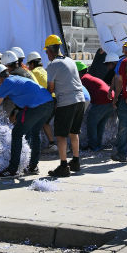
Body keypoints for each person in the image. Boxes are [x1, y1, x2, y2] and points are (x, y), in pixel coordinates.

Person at [0, 63, 55, 177]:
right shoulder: (14, 79)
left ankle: (12, 169)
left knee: (17, 133)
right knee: (35, 132)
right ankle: (33, 166)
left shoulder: (7, 83)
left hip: (37, 107)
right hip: (49, 103)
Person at [44, 34, 85, 177]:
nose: (46, 54)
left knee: (61, 135)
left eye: (46, 51)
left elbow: (50, 88)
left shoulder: (53, 65)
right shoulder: (70, 60)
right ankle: (75, 161)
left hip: (66, 102)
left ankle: (63, 166)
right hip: (80, 100)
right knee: (74, 132)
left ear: (50, 50)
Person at [78, 62, 114, 151]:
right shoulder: (89, 77)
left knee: (92, 123)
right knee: (101, 124)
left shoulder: (82, 79)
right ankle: (98, 145)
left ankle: (93, 146)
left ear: (77, 72)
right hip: (111, 99)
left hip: (102, 100)